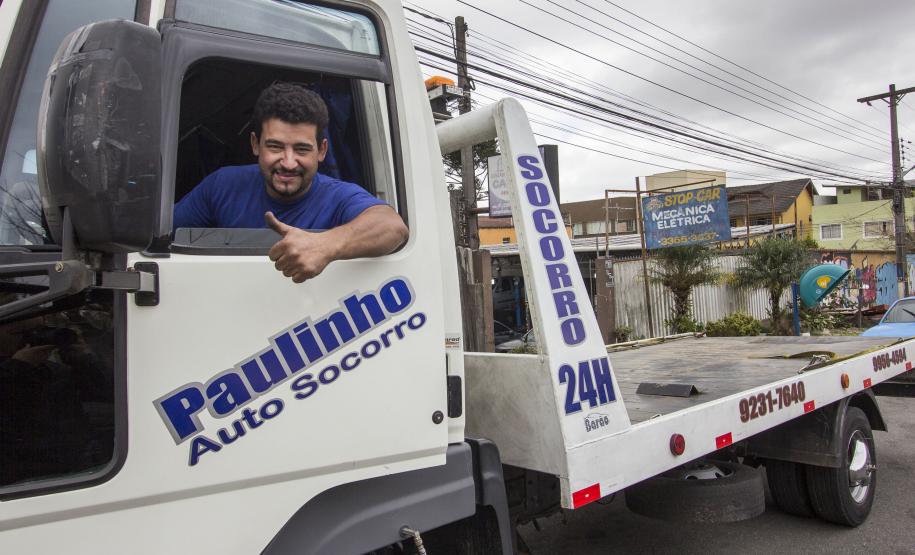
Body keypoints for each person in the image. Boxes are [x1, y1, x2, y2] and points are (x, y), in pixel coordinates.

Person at [174, 83, 409, 283]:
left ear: (321, 150)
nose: (288, 163)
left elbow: (392, 227)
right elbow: (160, 235)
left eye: (301, 149)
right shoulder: (222, 185)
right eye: (275, 147)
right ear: (255, 144)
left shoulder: (336, 196)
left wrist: (326, 245)